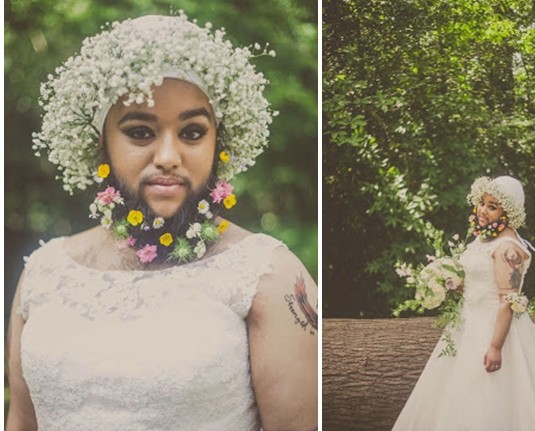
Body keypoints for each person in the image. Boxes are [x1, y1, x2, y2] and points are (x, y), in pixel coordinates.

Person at [6, 13, 318, 431]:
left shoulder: (268, 273)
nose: (169, 156)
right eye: (140, 132)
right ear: (103, 146)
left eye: (192, 133)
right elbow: (21, 420)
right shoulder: (44, 272)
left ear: (216, 146)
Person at [392, 176, 535, 431]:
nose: (482, 210)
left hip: (494, 329)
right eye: (482, 203)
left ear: (508, 212)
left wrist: (496, 346)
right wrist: (450, 282)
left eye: (492, 206)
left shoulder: (509, 249)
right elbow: (479, 281)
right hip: (466, 326)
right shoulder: (484, 239)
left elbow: (508, 299)